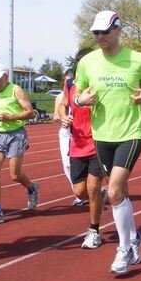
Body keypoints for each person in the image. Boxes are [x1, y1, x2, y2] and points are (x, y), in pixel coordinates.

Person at [74, 10, 141, 274]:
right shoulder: (87, 62)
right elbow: (77, 94)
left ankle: (124, 249)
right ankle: (135, 238)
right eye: (96, 33)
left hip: (130, 133)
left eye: (105, 32)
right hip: (102, 136)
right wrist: (80, 101)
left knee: (115, 191)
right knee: (121, 193)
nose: (99, 37)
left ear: (118, 30)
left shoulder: (137, 59)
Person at [0, 64, 40, 224]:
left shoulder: (15, 90)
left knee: (15, 175)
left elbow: (31, 112)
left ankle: (32, 187)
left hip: (16, 135)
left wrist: (11, 117)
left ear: (6, 77)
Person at [58, 47, 106, 249]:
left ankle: (94, 230)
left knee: (93, 186)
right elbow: (63, 104)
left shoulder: (101, 83)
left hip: (97, 141)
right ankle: (99, 198)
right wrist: (63, 116)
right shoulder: (70, 84)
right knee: (80, 192)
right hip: (76, 143)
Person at [54, 69, 86, 206]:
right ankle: (80, 193)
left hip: (81, 131)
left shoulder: (83, 92)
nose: (66, 83)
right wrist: (63, 117)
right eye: (65, 81)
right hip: (66, 132)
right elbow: (56, 115)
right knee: (67, 165)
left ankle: (87, 191)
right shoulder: (60, 96)